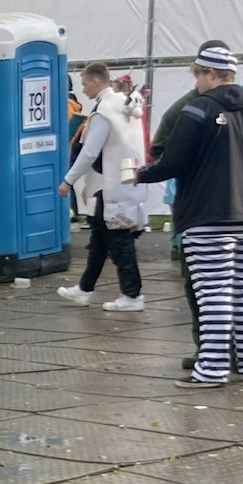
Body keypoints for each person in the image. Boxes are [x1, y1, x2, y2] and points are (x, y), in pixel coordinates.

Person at [134, 44, 243, 389]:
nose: (196, 81)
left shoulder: (198, 109)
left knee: (212, 294)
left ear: (211, 74)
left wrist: (141, 174)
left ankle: (211, 369)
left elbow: (174, 161)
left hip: (207, 214)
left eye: (198, 74)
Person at [150, 39, 235, 372]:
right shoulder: (188, 107)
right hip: (220, 203)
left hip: (208, 206)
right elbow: (161, 149)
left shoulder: (202, 105)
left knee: (207, 280)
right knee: (216, 281)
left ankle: (214, 352)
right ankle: (212, 348)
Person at [56, 62, 147, 311]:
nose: (83, 89)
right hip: (126, 178)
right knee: (100, 235)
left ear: (96, 81)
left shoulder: (103, 112)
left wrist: (68, 181)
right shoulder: (124, 104)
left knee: (118, 240)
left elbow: (89, 152)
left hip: (113, 186)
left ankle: (132, 295)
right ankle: (85, 288)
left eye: (85, 83)